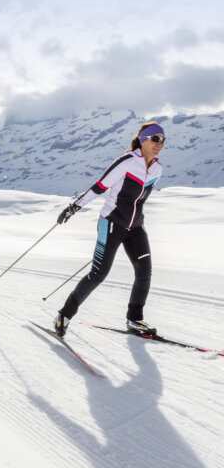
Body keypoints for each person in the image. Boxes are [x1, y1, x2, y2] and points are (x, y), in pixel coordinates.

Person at [53, 122, 165, 337]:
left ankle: (135, 320)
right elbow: (100, 186)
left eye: (163, 140)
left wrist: (136, 220)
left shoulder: (157, 169)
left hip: (136, 227)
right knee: (98, 274)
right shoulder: (126, 162)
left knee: (144, 272)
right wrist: (74, 207)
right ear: (143, 140)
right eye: (156, 139)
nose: (160, 144)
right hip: (112, 223)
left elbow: (138, 201)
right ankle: (64, 314)